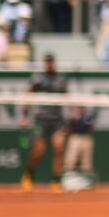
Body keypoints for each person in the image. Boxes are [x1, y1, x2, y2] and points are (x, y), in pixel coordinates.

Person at [19, 54, 68, 192]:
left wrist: (68, 118)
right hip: (41, 119)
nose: (50, 65)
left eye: (51, 62)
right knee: (39, 150)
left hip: (57, 119)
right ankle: (29, 174)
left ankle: (56, 181)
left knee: (59, 147)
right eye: (47, 63)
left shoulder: (62, 79)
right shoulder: (37, 79)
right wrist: (24, 115)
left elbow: (68, 98)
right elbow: (28, 96)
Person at [61, 106, 97, 184]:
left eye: (82, 107)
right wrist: (73, 119)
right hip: (75, 137)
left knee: (86, 161)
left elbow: (91, 128)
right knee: (70, 159)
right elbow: (67, 129)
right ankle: (67, 180)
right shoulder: (72, 117)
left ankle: (87, 181)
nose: (81, 108)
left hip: (86, 137)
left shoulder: (88, 117)